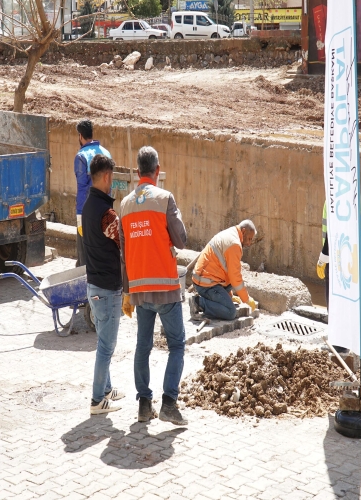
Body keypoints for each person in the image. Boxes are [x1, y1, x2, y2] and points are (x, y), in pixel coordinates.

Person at [119, 146, 188, 425]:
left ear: (137, 172)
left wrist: (127, 292)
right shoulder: (165, 198)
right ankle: (169, 404)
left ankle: (144, 405)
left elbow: (123, 254)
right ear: (157, 171)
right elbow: (181, 240)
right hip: (166, 288)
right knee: (177, 345)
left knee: (143, 346)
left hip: (139, 290)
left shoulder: (124, 205)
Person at [82, 154, 125, 414]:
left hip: (94, 286)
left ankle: (107, 390)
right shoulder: (107, 215)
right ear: (107, 177)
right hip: (107, 289)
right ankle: (97, 400)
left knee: (103, 342)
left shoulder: (88, 206)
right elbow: (124, 244)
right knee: (106, 347)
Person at [189, 221, 258, 321]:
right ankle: (198, 302)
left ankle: (216, 300)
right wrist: (246, 300)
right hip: (206, 284)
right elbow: (235, 278)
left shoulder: (232, 232)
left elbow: (227, 271)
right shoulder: (234, 244)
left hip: (207, 278)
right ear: (243, 231)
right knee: (230, 312)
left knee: (233, 282)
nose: (249, 243)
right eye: (249, 239)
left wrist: (229, 295)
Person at [316, 201, 361, 309]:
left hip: (337, 254)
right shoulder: (354, 192)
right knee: (352, 297)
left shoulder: (335, 196)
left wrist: (324, 257)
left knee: (335, 300)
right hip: (355, 251)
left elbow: (334, 229)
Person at [75, 119, 111, 267]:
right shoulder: (106, 153)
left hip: (87, 211)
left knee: (85, 252)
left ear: (80, 135)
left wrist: (80, 213)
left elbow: (82, 187)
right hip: (106, 209)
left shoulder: (81, 156)